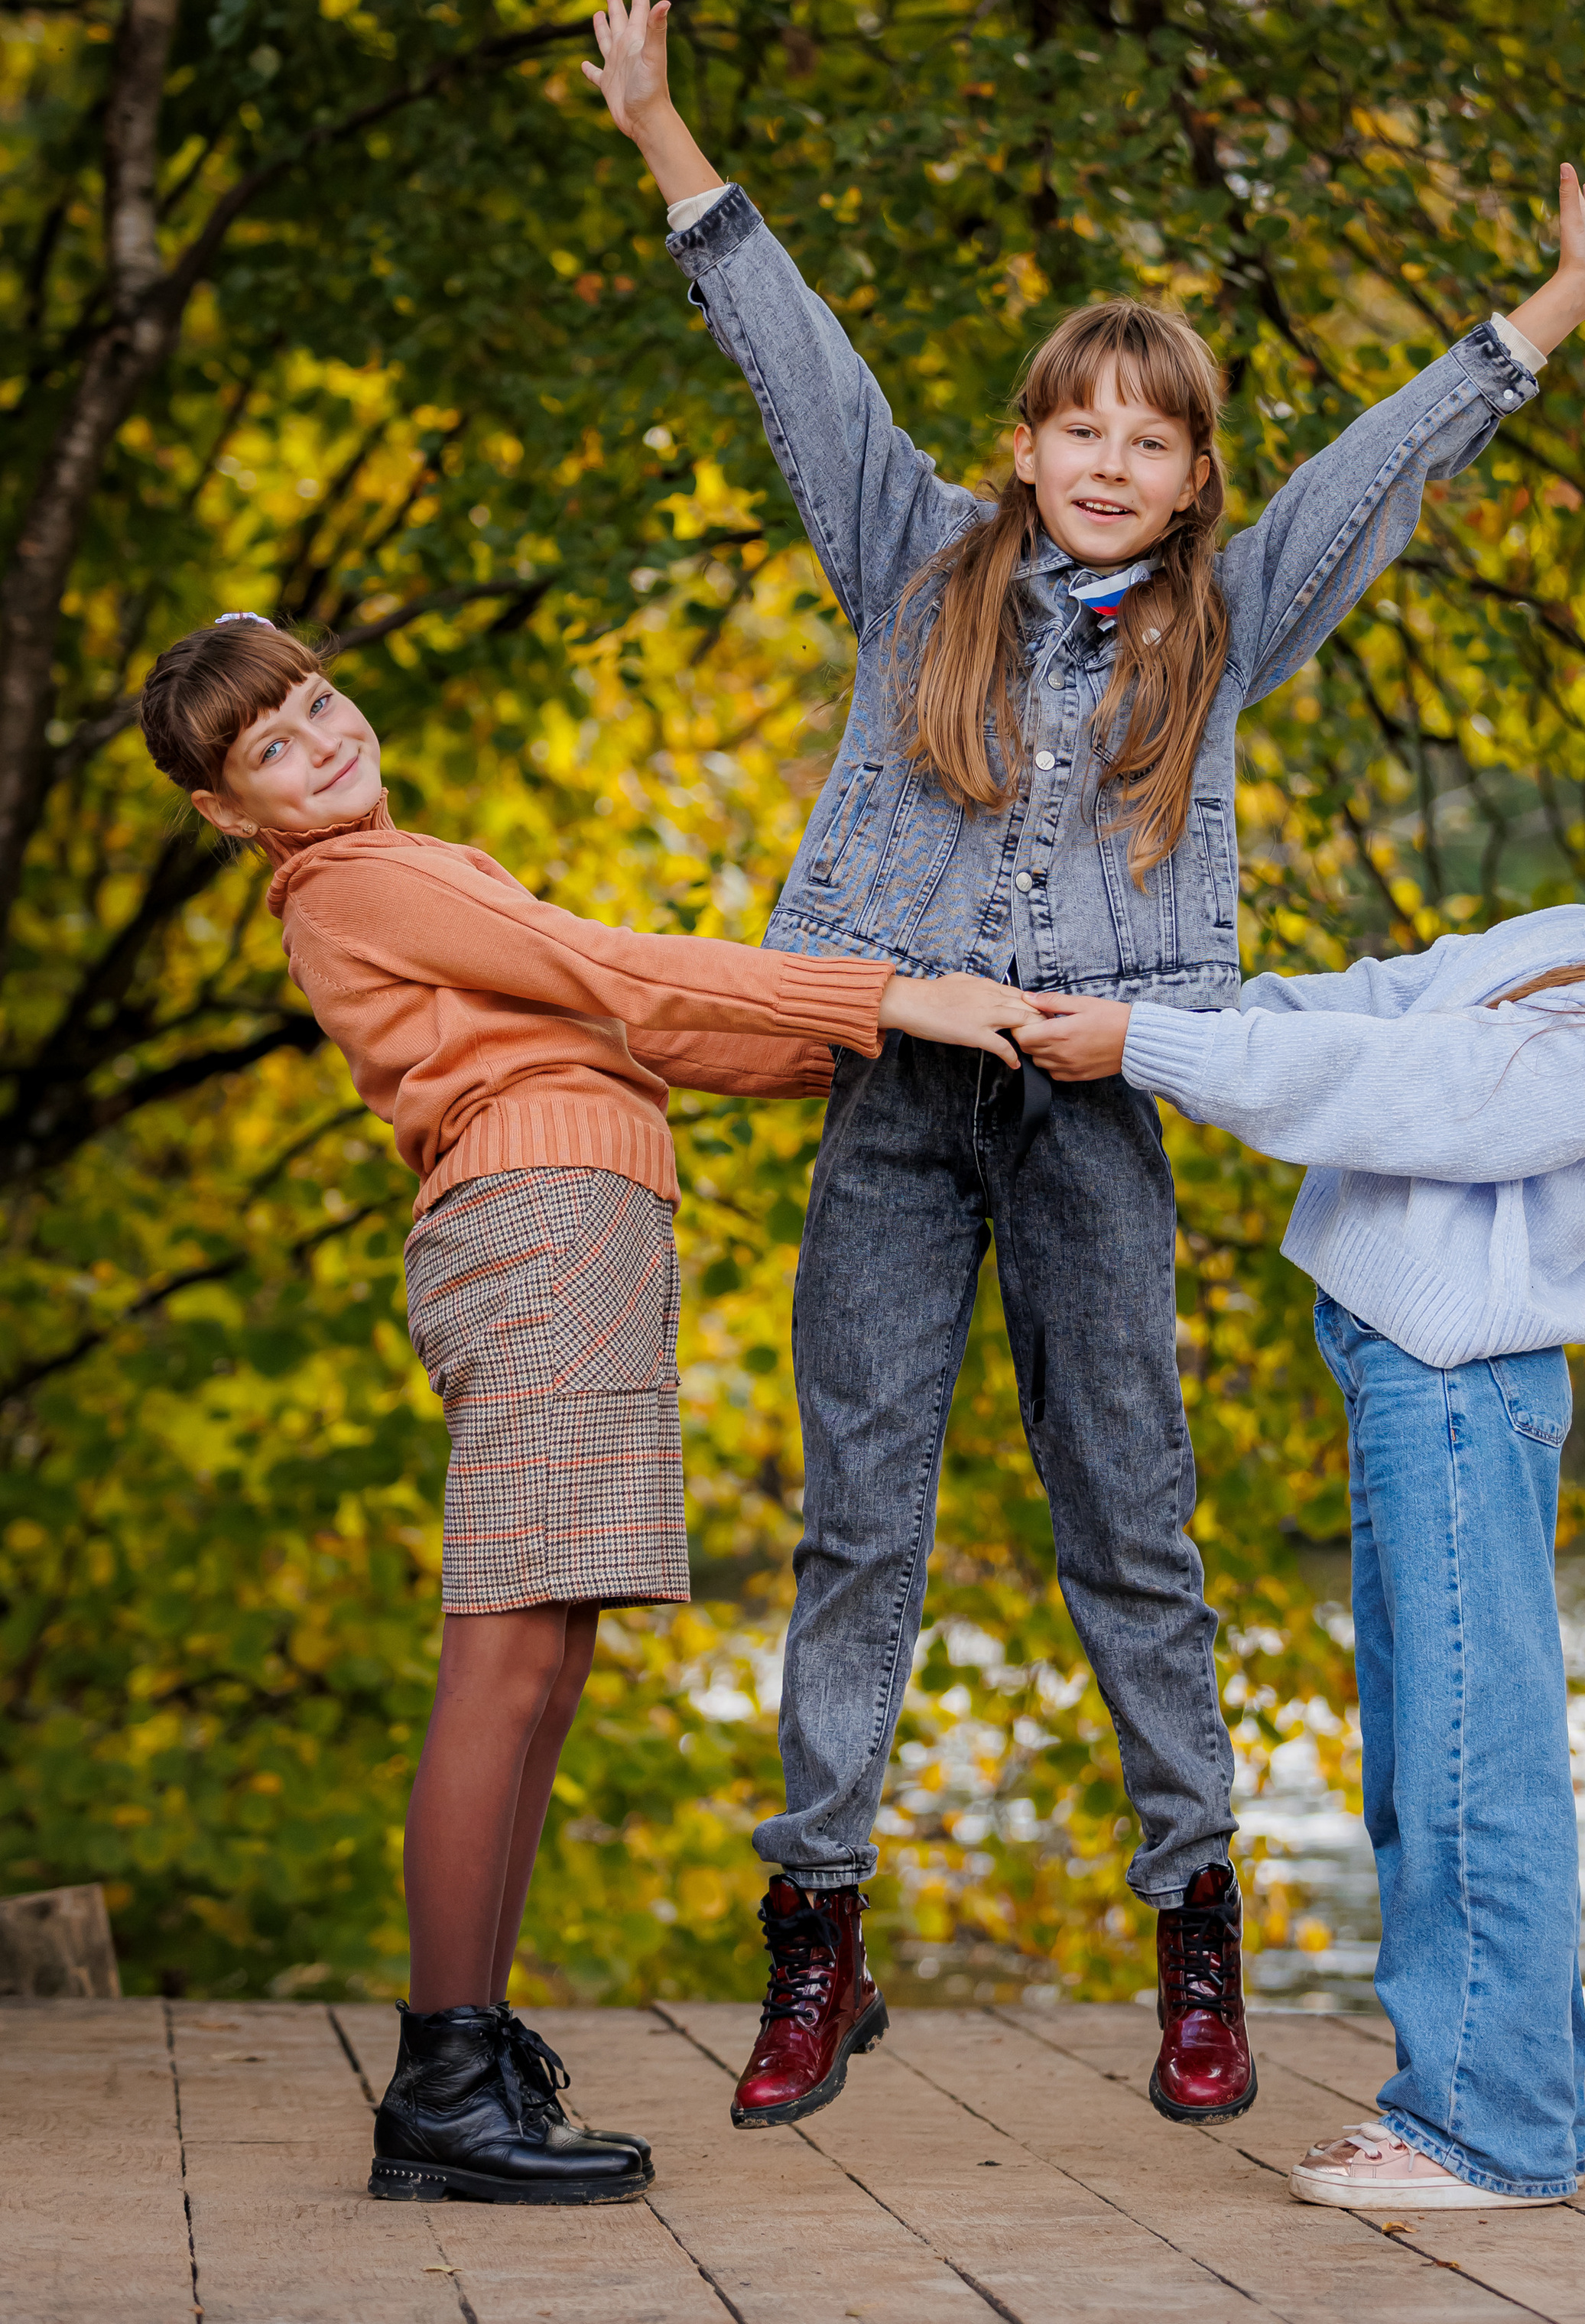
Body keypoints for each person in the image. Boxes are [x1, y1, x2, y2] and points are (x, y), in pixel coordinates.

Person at [582, 0, 1585, 2131]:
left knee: (1132, 1524)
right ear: (1031, 441)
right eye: (1083, 428)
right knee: (860, 1524)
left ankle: (1196, 1939)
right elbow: (802, 376)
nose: (1114, 463)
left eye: (1155, 441)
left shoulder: (1225, 622)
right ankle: (817, 1937)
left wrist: (1539, 319)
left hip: (1088, 1122)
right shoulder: (914, 568)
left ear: (1185, 475)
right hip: (894, 1110)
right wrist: (670, 140)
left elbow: (1363, 484)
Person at [137, 612, 1030, 2204]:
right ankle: (437, 2082)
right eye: (273, 746)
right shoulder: (359, 877)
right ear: (230, 811)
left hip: (573, 1217)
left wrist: (838, 1060)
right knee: (503, 1652)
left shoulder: (422, 866)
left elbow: (634, 1025)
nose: (325, 741)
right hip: (538, 1222)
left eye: (322, 701)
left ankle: (468, 2064)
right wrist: (888, 994)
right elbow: (611, 967)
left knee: (543, 1659)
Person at [1015, 686, 1585, 2206]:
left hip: (1457, 1389)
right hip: (1408, 1378)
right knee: (1424, 1765)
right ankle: (1483, 2095)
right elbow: (1375, 1004)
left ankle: (1489, 2129)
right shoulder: (1573, 944)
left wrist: (1144, 1048)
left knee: (1472, 1769)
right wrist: (1165, 1009)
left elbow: (1414, 1097)